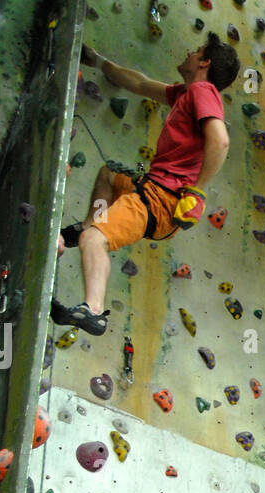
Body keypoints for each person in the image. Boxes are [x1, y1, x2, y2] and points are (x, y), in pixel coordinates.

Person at [51, 32, 239, 336]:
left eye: (196, 51)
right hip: (152, 192)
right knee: (108, 175)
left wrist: (197, 192)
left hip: (162, 201)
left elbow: (220, 141)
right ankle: (88, 225)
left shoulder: (203, 90)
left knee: (95, 241)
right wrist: (97, 60)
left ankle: (94, 310)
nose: (189, 53)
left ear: (205, 62)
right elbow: (137, 83)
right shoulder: (185, 94)